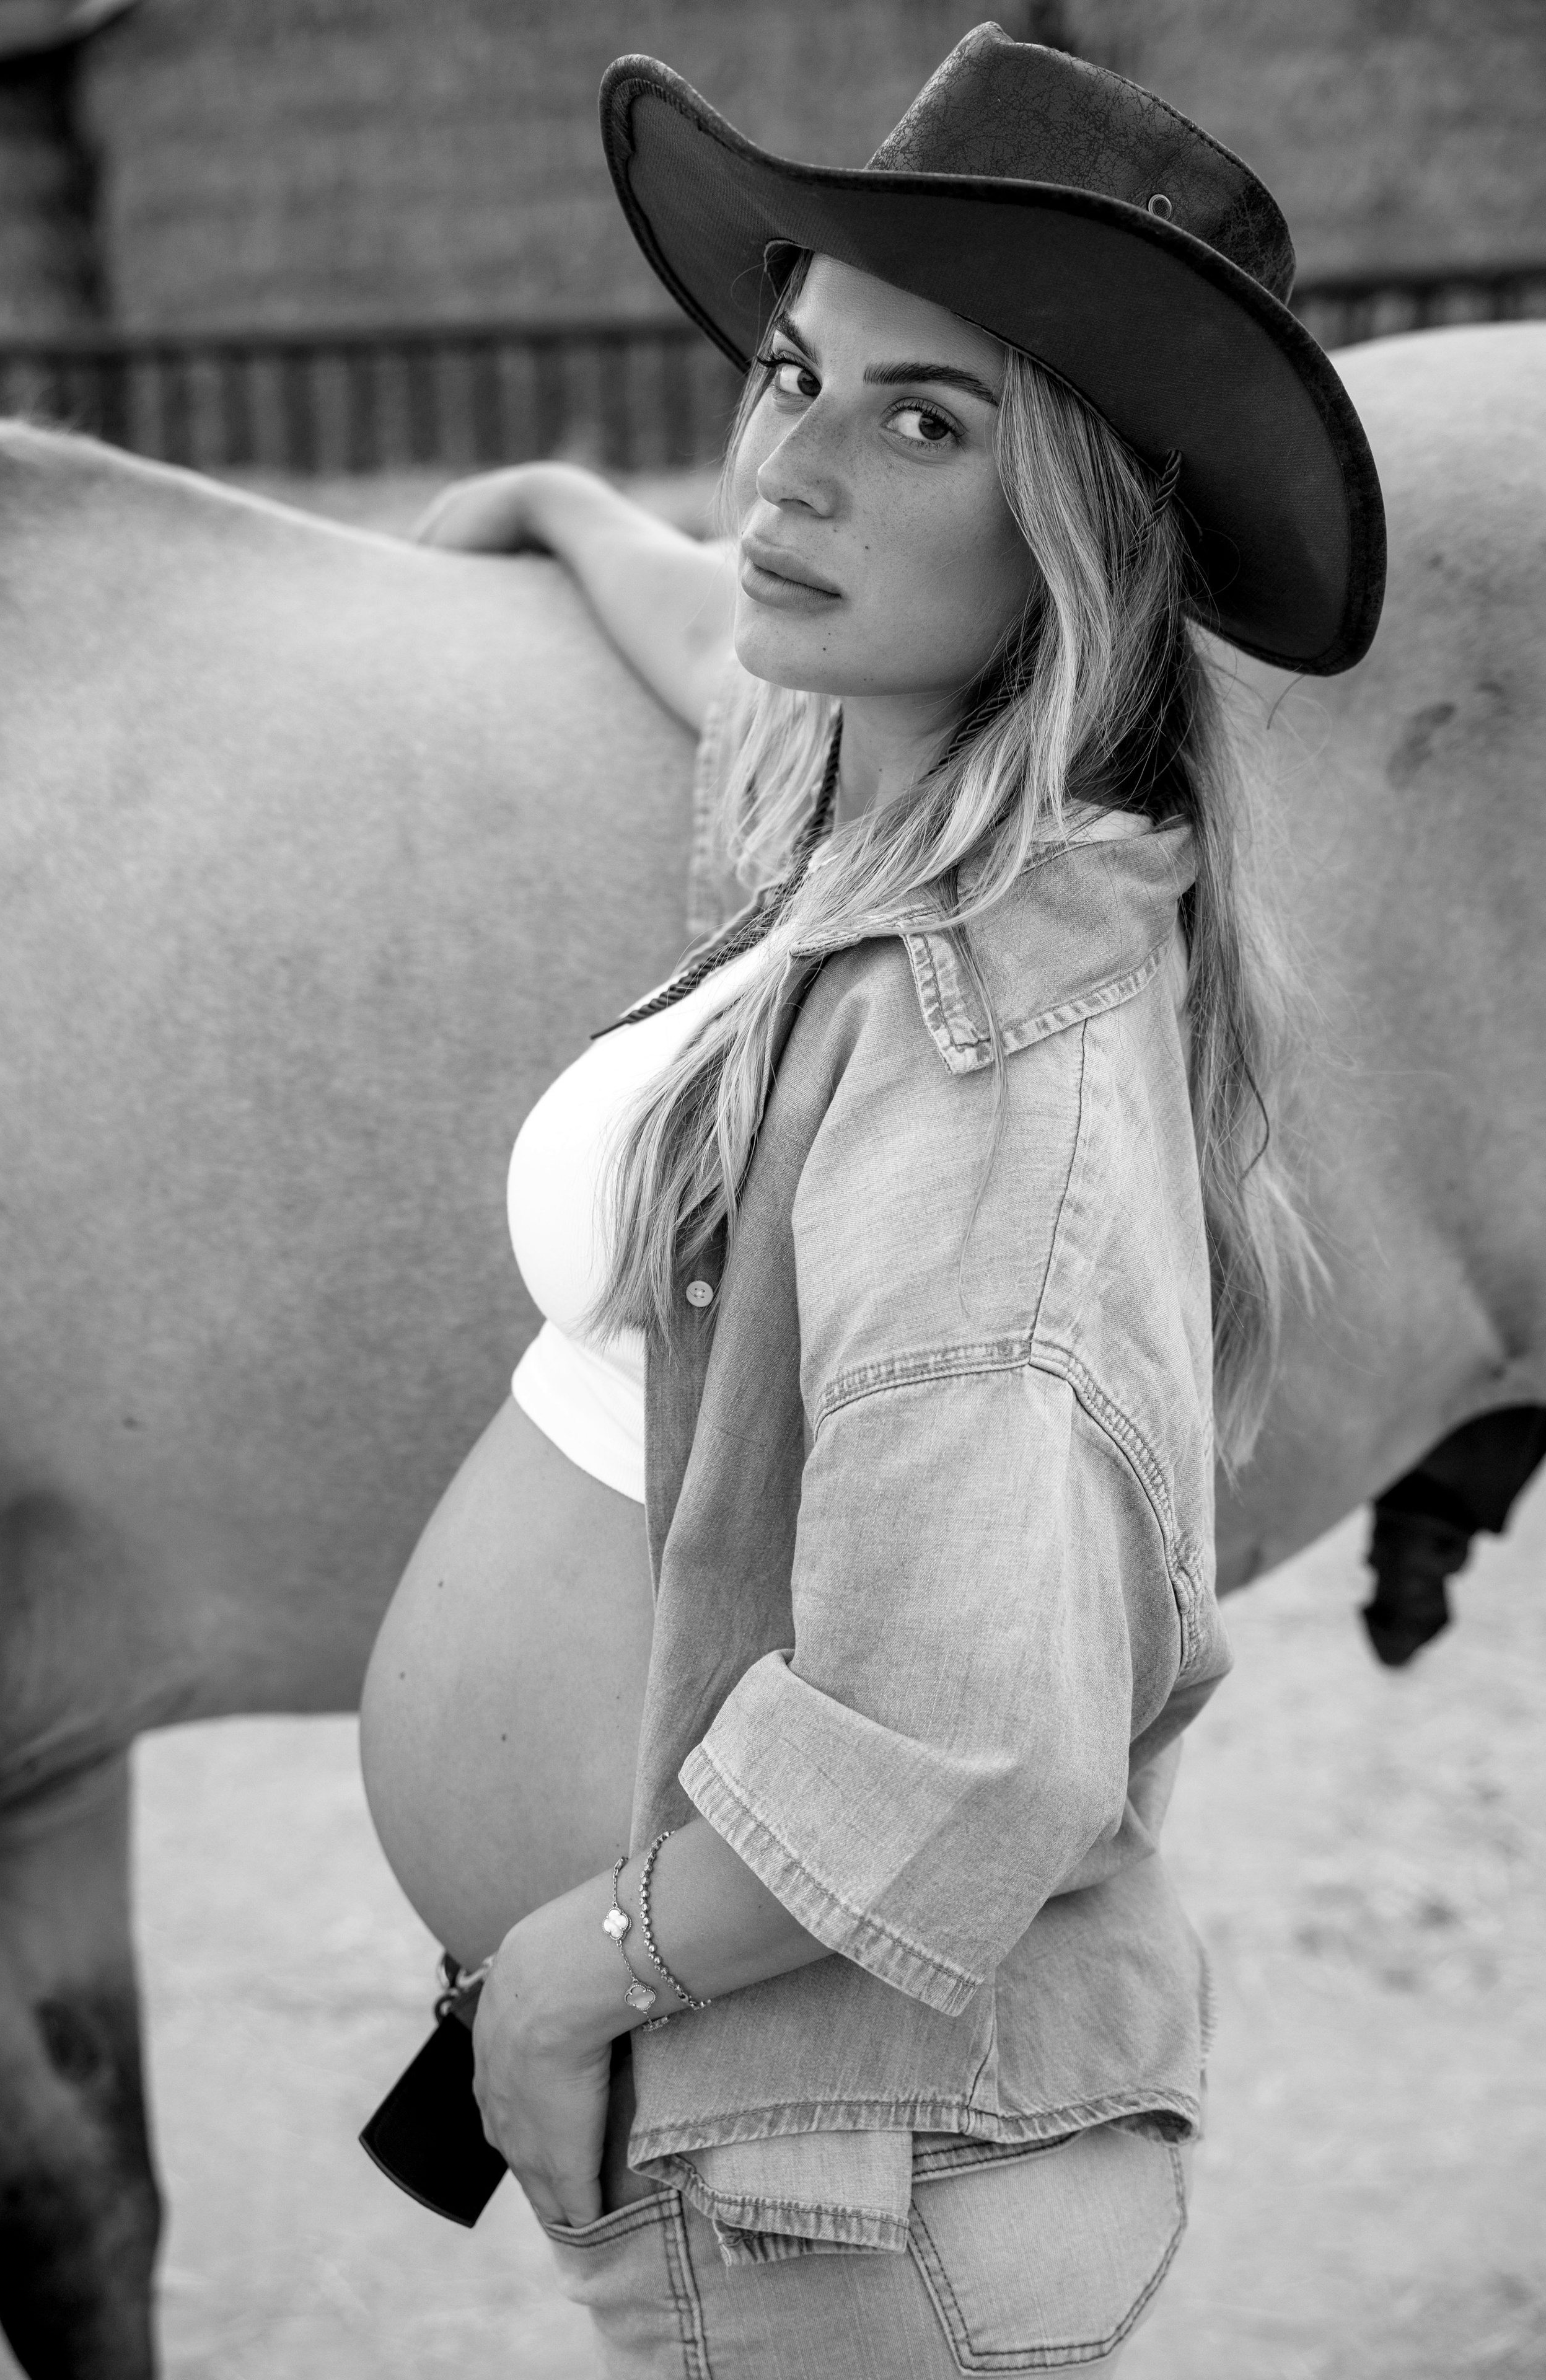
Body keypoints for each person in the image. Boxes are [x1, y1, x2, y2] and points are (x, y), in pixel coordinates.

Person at [359, 26, 1384, 2374]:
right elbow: (742, 639)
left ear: (1080, 534)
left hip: (845, 2191)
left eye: (925, 426)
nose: (789, 470)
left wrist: (568, 1970)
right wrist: (564, 512)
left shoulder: (977, 1017)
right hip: (809, 2152)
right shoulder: (884, 833)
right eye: (797, 371)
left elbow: (987, 1738)